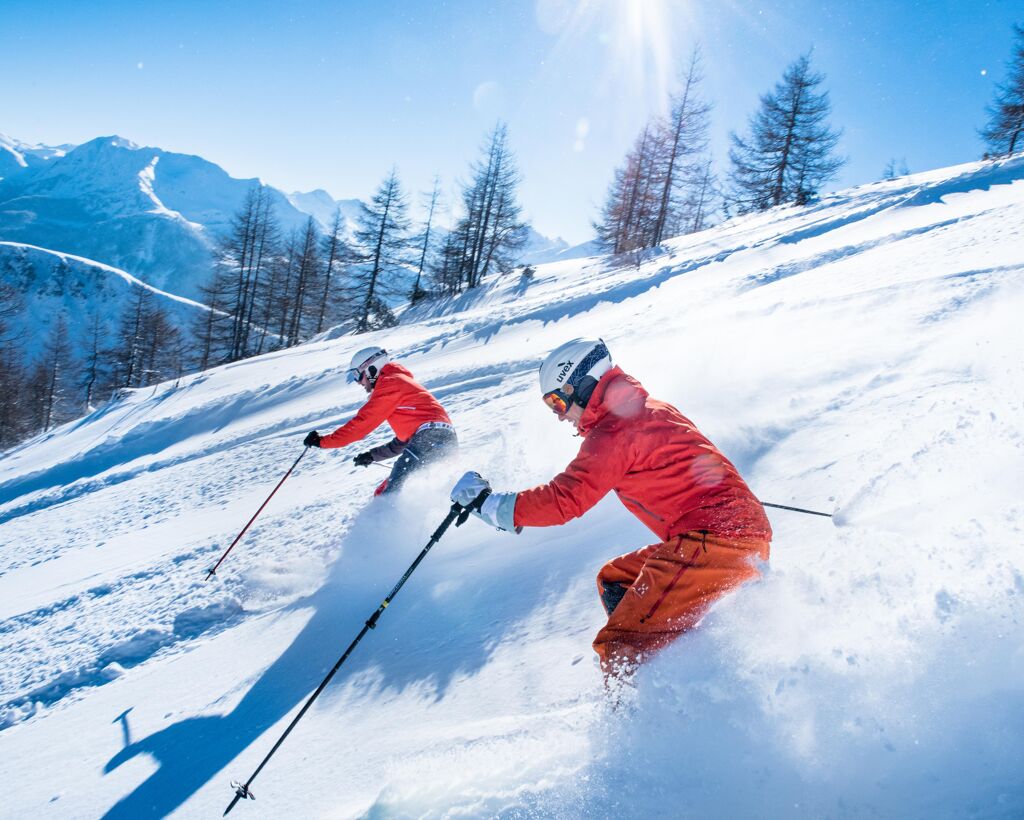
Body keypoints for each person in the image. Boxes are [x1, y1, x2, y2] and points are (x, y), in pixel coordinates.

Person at [450, 338, 772, 676]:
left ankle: (644, 715)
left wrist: (489, 505)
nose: (560, 417)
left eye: (558, 402)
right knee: (616, 579)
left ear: (584, 385)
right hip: (729, 536)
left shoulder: (615, 429)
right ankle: (671, 664)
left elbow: (565, 500)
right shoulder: (649, 409)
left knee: (620, 644)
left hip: (717, 541)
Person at [304, 347, 457, 494]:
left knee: (393, 492)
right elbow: (402, 443)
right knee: (392, 491)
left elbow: (362, 424)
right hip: (439, 439)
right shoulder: (398, 383)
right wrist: (372, 456)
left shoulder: (391, 382)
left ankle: (385, 518)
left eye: (358, 375)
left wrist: (322, 441)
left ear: (371, 369)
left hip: (431, 437)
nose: (358, 382)